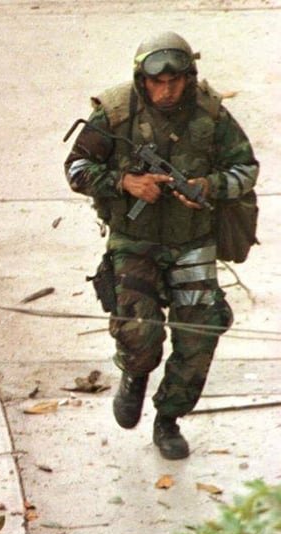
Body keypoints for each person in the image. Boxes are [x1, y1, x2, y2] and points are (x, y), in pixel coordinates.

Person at [65, 32, 259, 459]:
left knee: (198, 336)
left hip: (193, 241)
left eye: (176, 81)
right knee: (139, 332)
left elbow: (245, 168)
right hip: (135, 241)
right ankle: (134, 374)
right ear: (143, 80)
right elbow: (76, 168)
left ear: (189, 78)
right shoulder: (115, 112)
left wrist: (209, 186)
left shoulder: (211, 114)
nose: (167, 90)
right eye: (158, 82)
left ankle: (168, 418)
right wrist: (124, 182)